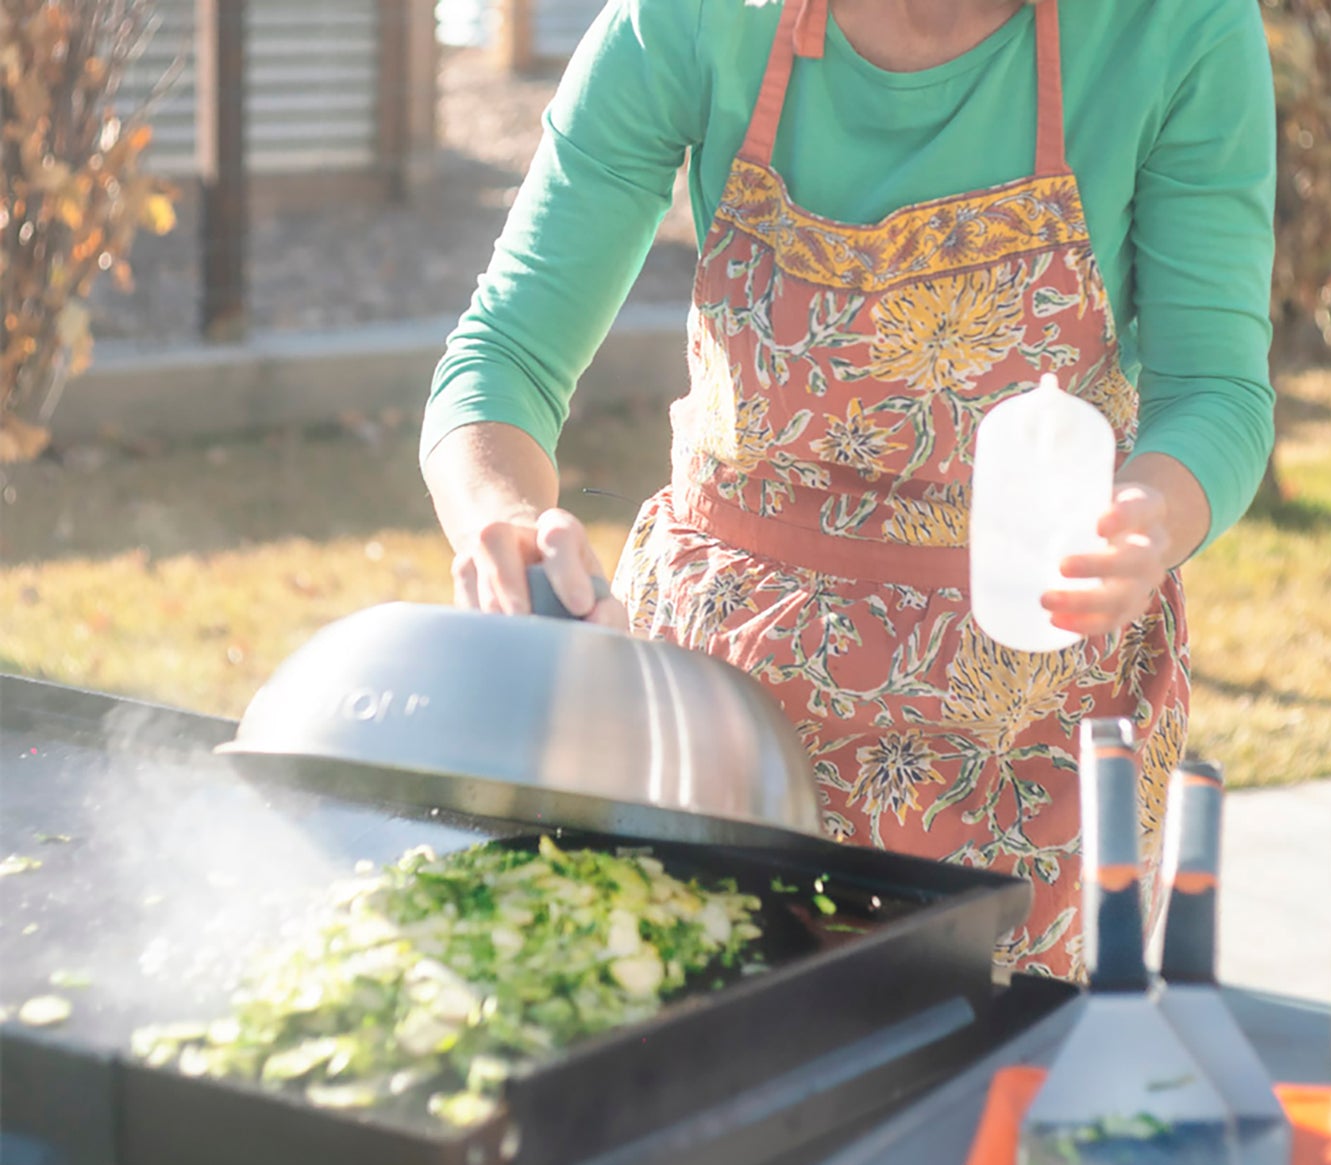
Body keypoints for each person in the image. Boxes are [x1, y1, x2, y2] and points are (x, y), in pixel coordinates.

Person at [421, 0, 1277, 980]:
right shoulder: (688, 20)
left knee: (979, 1104)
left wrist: (1153, 517)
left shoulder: (1173, 25)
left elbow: (1214, 389)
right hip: (717, 722)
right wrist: (505, 519)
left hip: (1026, 726)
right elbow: (506, 354)